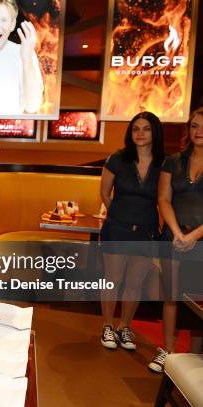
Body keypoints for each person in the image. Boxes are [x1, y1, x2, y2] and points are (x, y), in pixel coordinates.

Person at [98, 111, 164, 351]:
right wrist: (119, 216)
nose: (140, 133)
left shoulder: (164, 163)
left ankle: (124, 326)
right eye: (136, 128)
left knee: (134, 284)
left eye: (146, 128)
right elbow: (105, 194)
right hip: (117, 229)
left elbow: (164, 199)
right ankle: (107, 325)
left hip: (146, 231)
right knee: (112, 281)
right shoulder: (117, 159)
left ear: (154, 132)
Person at [149, 107, 203, 372]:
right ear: (188, 129)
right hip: (173, 237)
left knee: (197, 300)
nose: (199, 131)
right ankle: (167, 352)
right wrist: (178, 233)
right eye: (194, 126)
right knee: (170, 296)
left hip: (201, 240)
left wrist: (194, 235)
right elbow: (163, 198)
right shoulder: (173, 161)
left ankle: (193, 360)